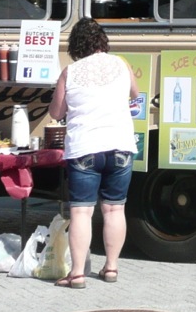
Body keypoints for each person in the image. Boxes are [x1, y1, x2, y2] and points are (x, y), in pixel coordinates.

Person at [48, 17, 140, 289]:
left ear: (76, 45)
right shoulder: (121, 64)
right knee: (114, 209)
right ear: (102, 41)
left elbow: (56, 112)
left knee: (81, 213)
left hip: (85, 147)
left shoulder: (71, 71)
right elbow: (135, 93)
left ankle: (77, 274)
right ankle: (111, 268)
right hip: (120, 144)